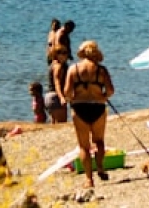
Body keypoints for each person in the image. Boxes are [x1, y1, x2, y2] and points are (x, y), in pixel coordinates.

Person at [63, 40, 115, 189]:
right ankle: (100, 167)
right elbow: (110, 90)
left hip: (79, 108)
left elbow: (67, 92)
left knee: (84, 146)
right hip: (98, 107)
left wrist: (73, 97)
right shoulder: (101, 70)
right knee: (99, 141)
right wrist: (103, 95)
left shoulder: (73, 69)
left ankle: (88, 180)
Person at [46, 44, 70, 123]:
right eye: (61, 53)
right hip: (56, 97)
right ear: (55, 54)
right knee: (62, 124)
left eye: (66, 53)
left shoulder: (53, 64)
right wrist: (62, 97)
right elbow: (57, 83)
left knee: (54, 125)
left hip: (49, 97)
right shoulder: (58, 66)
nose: (65, 55)